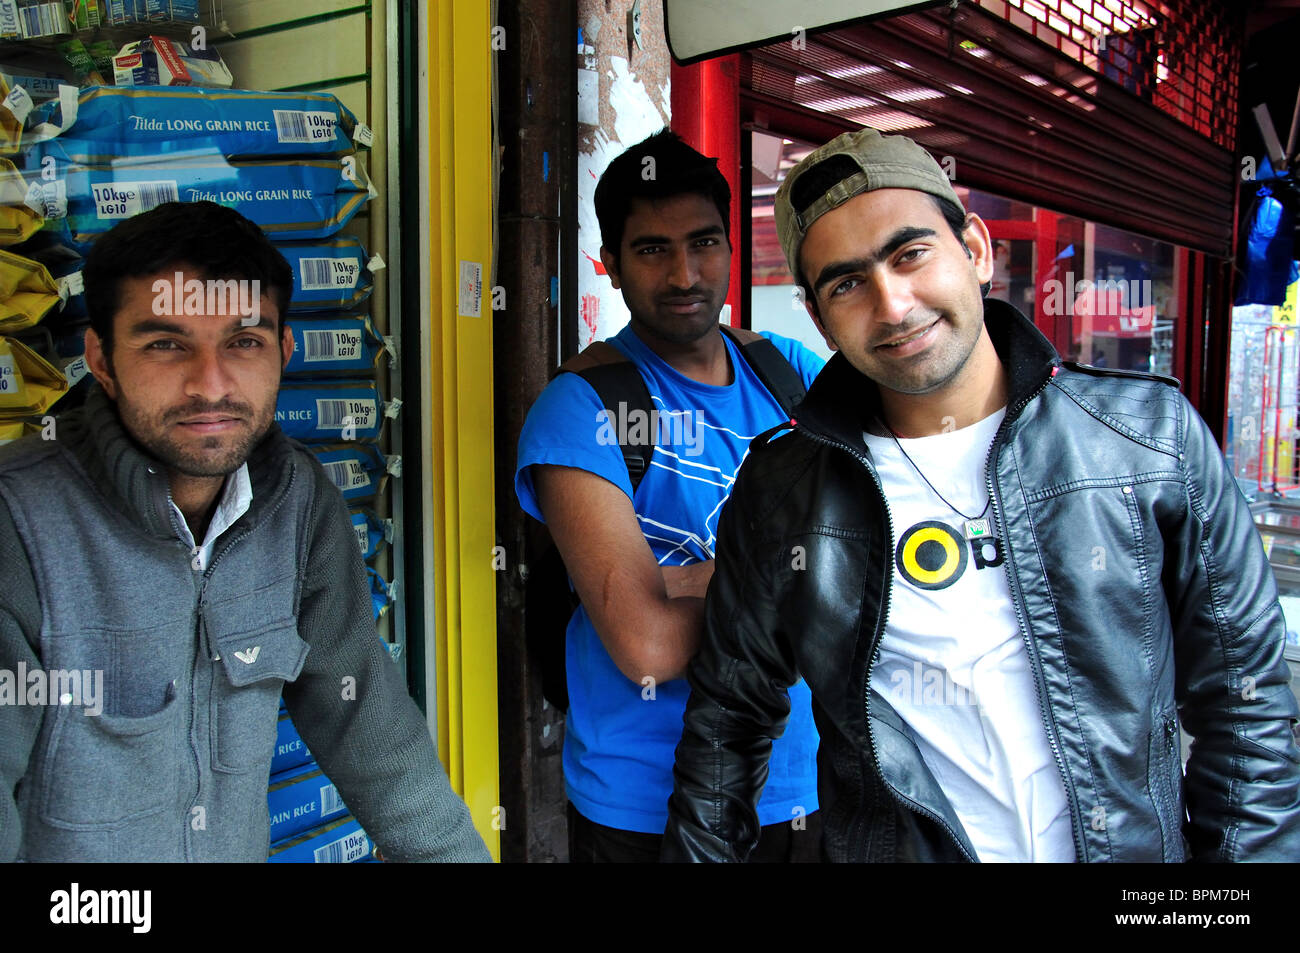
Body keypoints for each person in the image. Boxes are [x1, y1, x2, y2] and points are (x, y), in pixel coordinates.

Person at [663, 127, 1300, 862]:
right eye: (846, 283)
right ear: (817, 315)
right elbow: (725, 725)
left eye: (910, 254)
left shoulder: (1148, 441)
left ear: (974, 249)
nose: (893, 304)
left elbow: (1244, 706)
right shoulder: (784, 490)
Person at [0, 201, 490, 862]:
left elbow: (368, 726)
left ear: (284, 352)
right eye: (166, 343)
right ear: (102, 359)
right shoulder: (19, 522)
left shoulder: (298, 503)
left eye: (243, 341)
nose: (210, 384)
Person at [515, 130, 824, 861]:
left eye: (704, 242)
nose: (685, 272)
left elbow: (876, 550)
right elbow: (647, 647)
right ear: (612, 265)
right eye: (652, 249)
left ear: (729, 246)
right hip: (642, 804)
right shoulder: (582, 407)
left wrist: (677, 581)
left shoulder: (790, 371)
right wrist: (790, 573)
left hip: (799, 780)